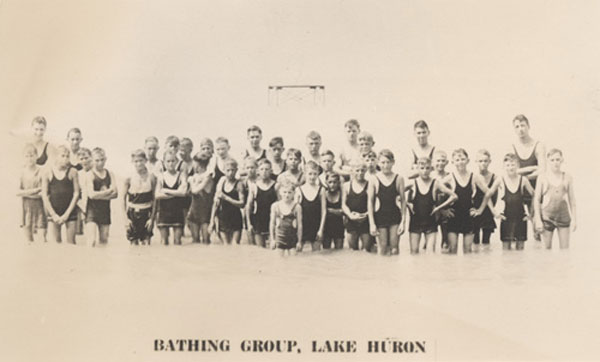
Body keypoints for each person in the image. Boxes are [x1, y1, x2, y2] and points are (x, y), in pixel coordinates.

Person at [474, 153, 534, 251]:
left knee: (520, 250)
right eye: (508, 165)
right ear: (504, 166)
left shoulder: (523, 180)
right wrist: (493, 212)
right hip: (506, 218)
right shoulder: (500, 179)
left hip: (521, 218)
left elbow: (535, 195)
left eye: (513, 165)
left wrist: (532, 214)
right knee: (506, 250)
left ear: (518, 165)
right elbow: (487, 194)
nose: (510, 167)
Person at [444, 149, 495, 254]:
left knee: (468, 251)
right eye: (457, 160)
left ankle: (469, 270)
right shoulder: (449, 177)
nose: (460, 162)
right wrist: (443, 210)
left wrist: (480, 210)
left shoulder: (474, 177)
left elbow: (488, 192)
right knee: (452, 249)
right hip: (453, 216)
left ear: (468, 160)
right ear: (453, 162)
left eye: (463, 159)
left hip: (468, 216)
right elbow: (434, 189)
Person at [407, 157, 456, 254]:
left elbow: (454, 196)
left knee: (430, 255)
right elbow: (397, 196)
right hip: (415, 222)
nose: (425, 171)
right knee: (414, 253)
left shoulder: (435, 183)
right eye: (422, 168)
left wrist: (439, 208)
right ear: (418, 169)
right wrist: (408, 204)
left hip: (430, 223)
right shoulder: (413, 183)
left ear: (431, 169)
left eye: (427, 168)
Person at [511, 114, 546, 241]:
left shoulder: (538, 145)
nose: (520, 129)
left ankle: (541, 256)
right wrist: (531, 168)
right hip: (518, 189)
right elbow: (511, 171)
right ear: (514, 129)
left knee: (537, 227)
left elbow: (542, 170)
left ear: (528, 126)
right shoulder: (513, 146)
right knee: (517, 228)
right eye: (517, 126)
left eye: (523, 125)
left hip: (535, 190)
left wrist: (522, 175)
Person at [534, 149, 577, 249]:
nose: (555, 162)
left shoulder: (567, 177)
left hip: (563, 216)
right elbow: (536, 200)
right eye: (552, 160)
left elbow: (572, 200)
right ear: (548, 161)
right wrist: (538, 219)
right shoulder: (542, 177)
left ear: (562, 160)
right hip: (547, 217)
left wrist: (574, 219)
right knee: (546, 251)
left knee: (565, 251)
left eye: (558, 159)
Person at [367, 149, 406, 256]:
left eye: (388, 162)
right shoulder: (373, 179)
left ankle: (394, 272)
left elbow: (403, 201)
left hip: (394, 217)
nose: (385, 165)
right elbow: (370, 202)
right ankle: (381, 271)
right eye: (383, 162)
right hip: (380, 217)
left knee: (394, 248)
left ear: (393, 162)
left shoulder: (399, 178)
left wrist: (403, 222)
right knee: (382, 248)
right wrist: (372, 223)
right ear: (378, 163)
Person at [41, 145, 80, 244]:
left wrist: (66, 214)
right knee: (55, 245)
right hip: (54, 212)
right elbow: (44, 195)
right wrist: (53, 215)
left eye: (67, 156)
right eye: (63, 156)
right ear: (56, 157)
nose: (65, 159)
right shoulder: (48, 172)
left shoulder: (73, 172)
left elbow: (76, 194)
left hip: (70, 212)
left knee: (71, 245)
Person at [85, 148, 118, 246]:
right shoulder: (89, 174)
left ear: (106, 159)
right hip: (92, 211)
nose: (100, 163)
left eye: (102, 160)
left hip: (105, 211)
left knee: (104, 241)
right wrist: (108, 192)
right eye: (97, 160)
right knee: (91, 241)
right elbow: (91, 195)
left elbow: (115, 194)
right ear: (91, 160)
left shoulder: (110, 174)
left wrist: (98, 195)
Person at [123, 149, 157, 246]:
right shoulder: (129, 177)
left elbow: (155, 199)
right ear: (132, 162)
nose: (138, 164)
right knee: (133, 245)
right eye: (136, 161)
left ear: (145, 161)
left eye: (141, 161)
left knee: (146, 243)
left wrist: (152, 218)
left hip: (146, 213)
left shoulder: (152, 177)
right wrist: (125, 219)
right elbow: (122, 199)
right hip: (132, 213)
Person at [155, 150, 188, 245]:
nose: (170, 163)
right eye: (168, 161)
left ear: (177, 162)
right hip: (164, 212)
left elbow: (183, 193)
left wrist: (165, 190)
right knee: (163, 241)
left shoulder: (181, 176)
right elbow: (157, 195)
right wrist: (176, 193)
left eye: (173, 161)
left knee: (178, 242)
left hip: (177, 212)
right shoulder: (161, 177)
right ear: (164, 162)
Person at [209, 158, 245, 245]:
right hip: (223, 218)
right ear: (224, 171)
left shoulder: (239, 184)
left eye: (233, 170)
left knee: (235, 244)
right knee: (225, 246)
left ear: (236, 170)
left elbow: (242, 204)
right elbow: (215, 204)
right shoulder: (221, 183)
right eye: (228, 170)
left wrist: (226, 198)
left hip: (235, 217)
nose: (230, 173)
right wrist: (212, 221)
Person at [18, 144, 47, 242]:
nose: (29, 158)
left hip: (40, 207)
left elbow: (43, 192)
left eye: (32, 155)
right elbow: (17, 192)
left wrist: (25, 193)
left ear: (36, 156)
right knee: (28, 240)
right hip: (26, 208)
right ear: (23, 157)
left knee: (42, 238)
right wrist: (34, 190)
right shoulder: (21, 172)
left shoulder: (42, 170)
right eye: (27, 156)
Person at [187, 143, 215, 244]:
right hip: (194, 211)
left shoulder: (208, 177)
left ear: (198, 164)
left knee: (206, 241)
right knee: (195, 241)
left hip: (205, 213)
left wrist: (191, 181)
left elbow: (195, 190)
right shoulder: (194, 176)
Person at [246, 159, 277, 248]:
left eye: (267, 169)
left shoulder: (276, 185)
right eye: (262, 169)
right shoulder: (254, 186)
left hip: (272, 220)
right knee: (260, 250)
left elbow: (280, 205)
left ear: (271, 171)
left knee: (274, 249)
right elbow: (248, 205)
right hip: (258, 220)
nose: (264, 172)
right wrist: (249, 223)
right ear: (258, 171)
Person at [342, 161, 373, 251]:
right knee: (352, 250)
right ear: (352, 171)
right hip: (351, 221)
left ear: (366, 171)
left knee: (366, 251)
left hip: (366, 220)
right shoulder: (346, 186)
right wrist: (350, 215)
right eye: (357, 170)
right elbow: (343, 204)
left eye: (362, 170)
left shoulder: (370, 185)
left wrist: (366, 214)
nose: (360, 173)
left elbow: (373, 203)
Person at [296, 161, 326, 251]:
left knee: (317, 255)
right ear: (304, 174)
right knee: (298, 254)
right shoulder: (299, 190)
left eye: (315, 174)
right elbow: (295, 212)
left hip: (316, 227)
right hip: (302, 227)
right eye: (310, 174)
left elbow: (324, 211)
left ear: (318, 175)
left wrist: (321, 229)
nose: (312, 177)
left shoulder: (321, 190)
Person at [472, 150, 498, 249]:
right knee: (475, 242)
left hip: (488, 212)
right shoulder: (473, 177)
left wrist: (494, 211)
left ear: (489, 161)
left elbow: (495, 196)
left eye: (485, 161)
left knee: (486, 242)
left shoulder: (495, 177)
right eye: (480, 161)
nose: (483, 163)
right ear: (476, 162)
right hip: (476, 211)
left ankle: (486, 262)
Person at [270, 181, 302, 256]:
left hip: (292, 239)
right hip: (279, 239)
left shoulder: (297, 207)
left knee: (294, 262)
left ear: (294, 193)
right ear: (280, 192)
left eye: (289, 192)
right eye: (284, 192)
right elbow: (272, 224)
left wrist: (299, 241)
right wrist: (272, 240)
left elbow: (300, 226)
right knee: (279, 262)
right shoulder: (275, 206)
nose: (287, 195)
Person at [431, 150, 452, 251]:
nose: (440, 163)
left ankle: (446, 264)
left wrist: (446, 209)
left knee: (445, 242)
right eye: (438, 160)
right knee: (429, 243)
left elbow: (455, 194)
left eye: (443, 161)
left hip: (445, 212)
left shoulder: (450, 176)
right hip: (432, 212)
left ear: (447, 162)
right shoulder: (429, 175)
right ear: (432, 162)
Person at [323, 172, 345, 250]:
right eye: (330, 182)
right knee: (326, 252)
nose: (332, 184)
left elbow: (344, 211)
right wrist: (338, 211)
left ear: (338, 183)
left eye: (335, 182)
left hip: (339, 226)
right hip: (326, 226)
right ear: (326, 183)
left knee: (339, 252)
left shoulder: (342, 194)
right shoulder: (323, 194)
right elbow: (322, 211)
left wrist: (330, 210)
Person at [75, 148, 93, 237]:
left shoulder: (95, 172)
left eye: (86, 158)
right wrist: (82, 206)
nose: (84, 161)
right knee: (81, 234)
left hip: (95, 206)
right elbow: (75, 192)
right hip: (81, 206)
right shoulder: (78, 174)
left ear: (91, 158)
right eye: (81, 159)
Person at [241, 156, 258, 244]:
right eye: (248, 168)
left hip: (259, 211)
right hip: (247, 211)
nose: (250, 170)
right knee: (250, 238)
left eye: (252, 167)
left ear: (256, 168)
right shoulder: (243, 182)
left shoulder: (260, 180)